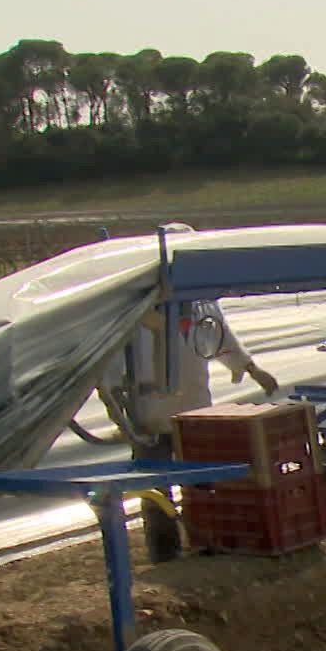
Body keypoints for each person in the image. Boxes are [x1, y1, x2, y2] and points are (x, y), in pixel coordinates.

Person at [101, 225, 281, 560]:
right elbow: (111, 366)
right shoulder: (135, 310)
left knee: (201, 481)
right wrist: (118, 410)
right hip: (149, 414)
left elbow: (221, 337)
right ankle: (164, 551)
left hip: (195, 409)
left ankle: (206, 543)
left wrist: (251, 368)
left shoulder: (201, 304)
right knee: (155, 488)